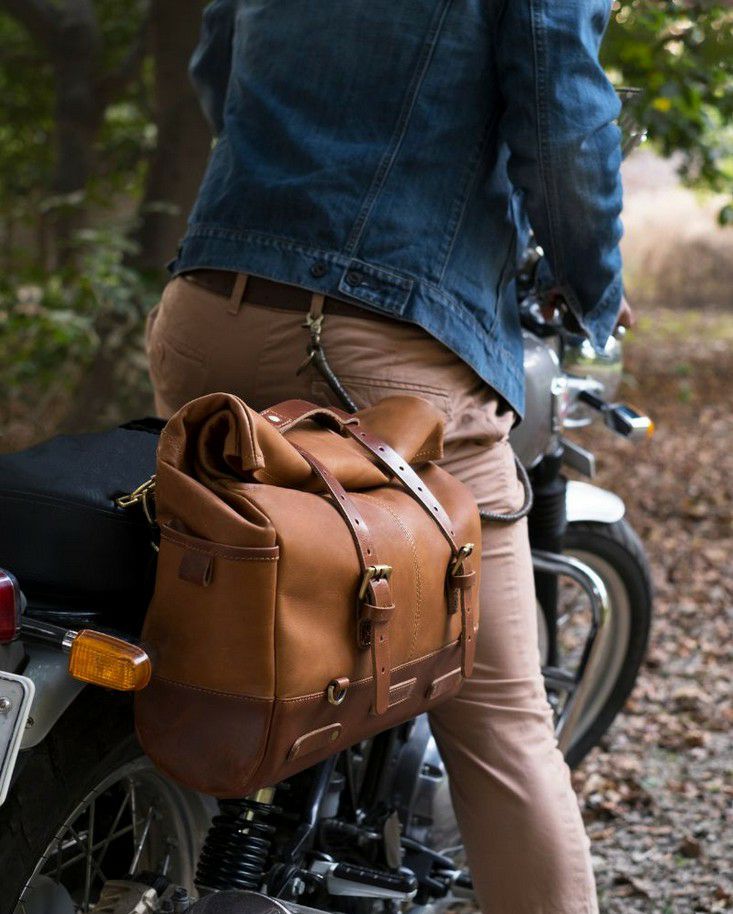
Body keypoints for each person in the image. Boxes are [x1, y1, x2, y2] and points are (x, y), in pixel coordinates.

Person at [146, 2, 630, 911]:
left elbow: (218, 62)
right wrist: (592, 285)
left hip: (208, 311)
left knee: (223, 585)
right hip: (372, 338)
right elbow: (562, 121)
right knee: (502, 727)